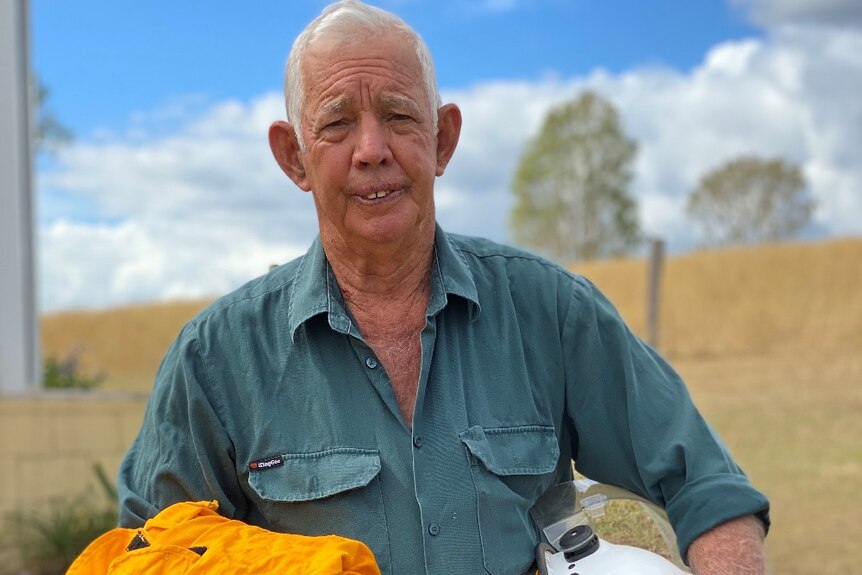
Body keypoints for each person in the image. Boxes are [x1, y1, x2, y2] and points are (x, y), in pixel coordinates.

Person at [117, 1, 770, 573]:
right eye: (337, 124)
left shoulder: (549, 311)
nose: (372, 148)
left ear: (442, 140)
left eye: (399, 116)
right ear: (295, 158)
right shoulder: (214, 359)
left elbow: (706, 485)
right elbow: (146, 553)